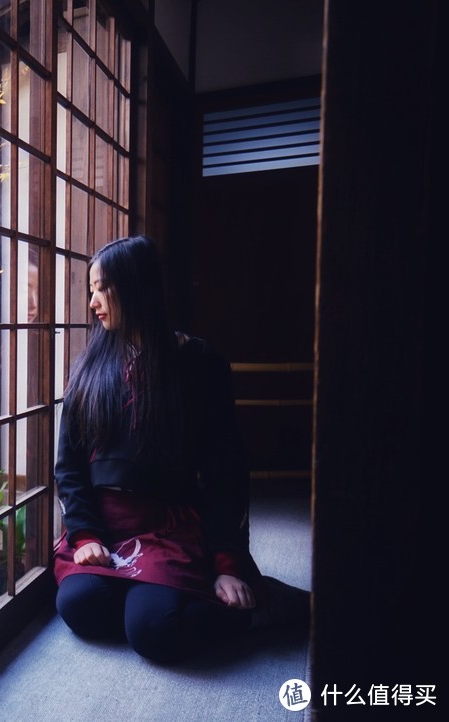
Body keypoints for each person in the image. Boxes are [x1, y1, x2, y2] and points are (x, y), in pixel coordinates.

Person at [53, 235, 307, 664]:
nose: (94, 302)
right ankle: (153, 594)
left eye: (102, 288)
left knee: (154, 631)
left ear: (135, 287)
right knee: (81, 606)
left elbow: (226, 470)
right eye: (90, 290)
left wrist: (226, 563)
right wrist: (85, 534)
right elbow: (69, 465)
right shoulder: (90, 366)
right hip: (106, 526)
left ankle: (260, 608)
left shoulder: (199, 363)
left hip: (169, 525)